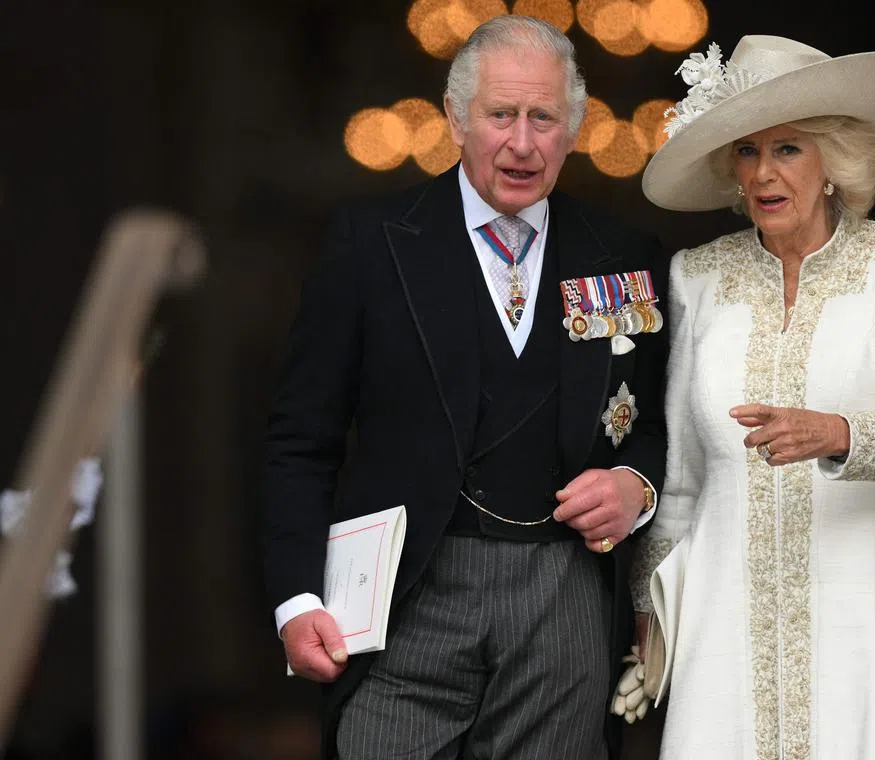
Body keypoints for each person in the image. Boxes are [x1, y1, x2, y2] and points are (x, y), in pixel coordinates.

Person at [261, 15, 668, 760]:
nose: (522, 142)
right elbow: (300, 440)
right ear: (456, 118)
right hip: (405, 598)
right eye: (501, 115)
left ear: (573, 128)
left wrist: (635, 484)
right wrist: (296, 598)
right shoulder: (371, 244)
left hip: (564, 598)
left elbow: (657, 423)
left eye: (543, 117)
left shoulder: (623, 255)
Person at [626, 35, 875, 758]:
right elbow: (682, 480)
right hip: (726, 605)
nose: (763, 173)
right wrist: (647, 616)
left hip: (871, 595)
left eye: (787, 149)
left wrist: (838, 433)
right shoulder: (697, 276)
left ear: (833, 162)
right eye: (746, 152)